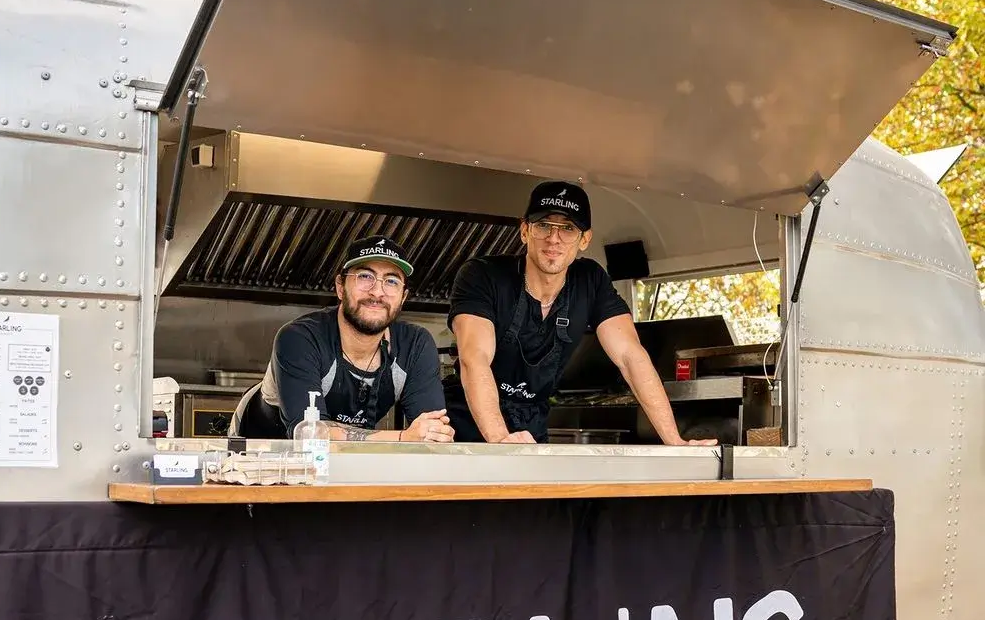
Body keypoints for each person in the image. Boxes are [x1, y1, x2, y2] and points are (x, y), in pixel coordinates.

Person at [443, 181, 717, 446]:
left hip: (531, 422)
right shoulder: (482, 276)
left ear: (585, 239)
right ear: (525, 231)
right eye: (543, 225)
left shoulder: (590, 281)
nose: (554, 238)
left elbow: (631, 357)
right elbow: (474, 359)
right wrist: (501, 439)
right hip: (466, 421)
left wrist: (675, 441)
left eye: (568, 228)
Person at [231, 235, 454, 443]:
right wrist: (402, 438)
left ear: (403, 297)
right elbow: (310, 434)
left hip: (349, 457)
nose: (377, 292)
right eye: (365, 277)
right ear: (340, 287)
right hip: (261, 454)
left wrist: (432, 435)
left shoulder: (415, 345)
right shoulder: (300, 338)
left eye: (391, 281)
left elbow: (432, 433)